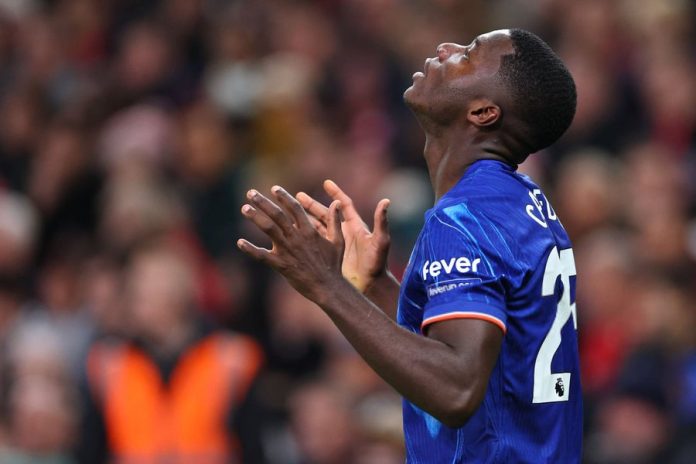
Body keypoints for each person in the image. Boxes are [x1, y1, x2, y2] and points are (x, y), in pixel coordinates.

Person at [238, 29, 581, 462]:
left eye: (469, 55)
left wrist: (326, 285)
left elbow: (456, 390)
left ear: (482, 112)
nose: (446, 49)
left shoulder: (466, 216)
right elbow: (490, 366)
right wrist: (376, 287)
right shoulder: (522, 201)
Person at [76, 242, 265, 464]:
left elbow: (252, 448)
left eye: (140, 294)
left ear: (174, 297)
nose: (130, 303)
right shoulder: (110, 361)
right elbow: (91, 449)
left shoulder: (232, 357)